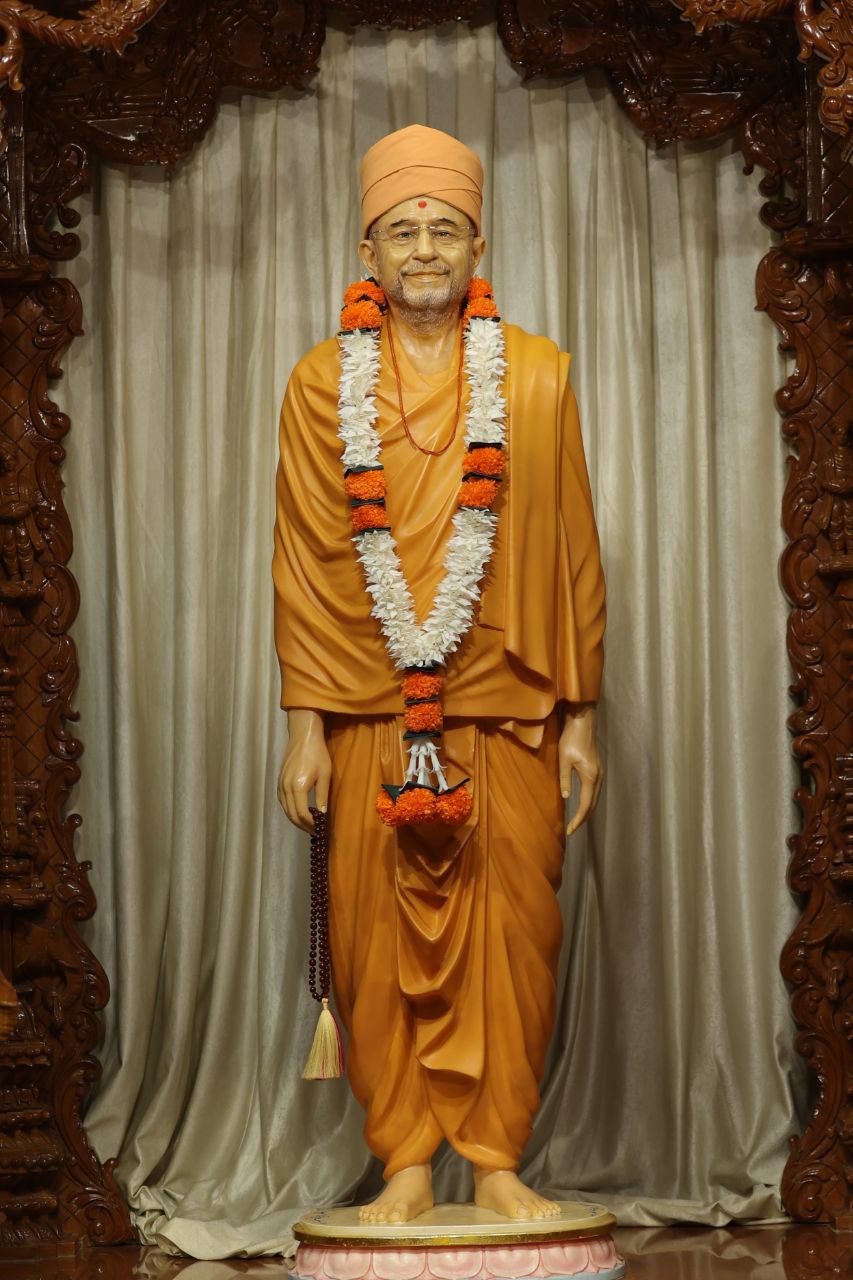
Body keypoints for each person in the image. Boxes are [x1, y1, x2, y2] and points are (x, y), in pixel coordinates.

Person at [273, 124, 606, 1225]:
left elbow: (572, 548)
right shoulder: (322, 385)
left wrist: (581, 716)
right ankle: (406, 1163)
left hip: (508, 699)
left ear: (478, 247)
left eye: (445, 229)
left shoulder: (537, 375)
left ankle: (497, 1158)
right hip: (369, 701)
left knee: (513, 937)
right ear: (366, 251)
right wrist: (304, 727)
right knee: (374, 944)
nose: (424, 249)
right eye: (403, 230)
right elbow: (306, 560)